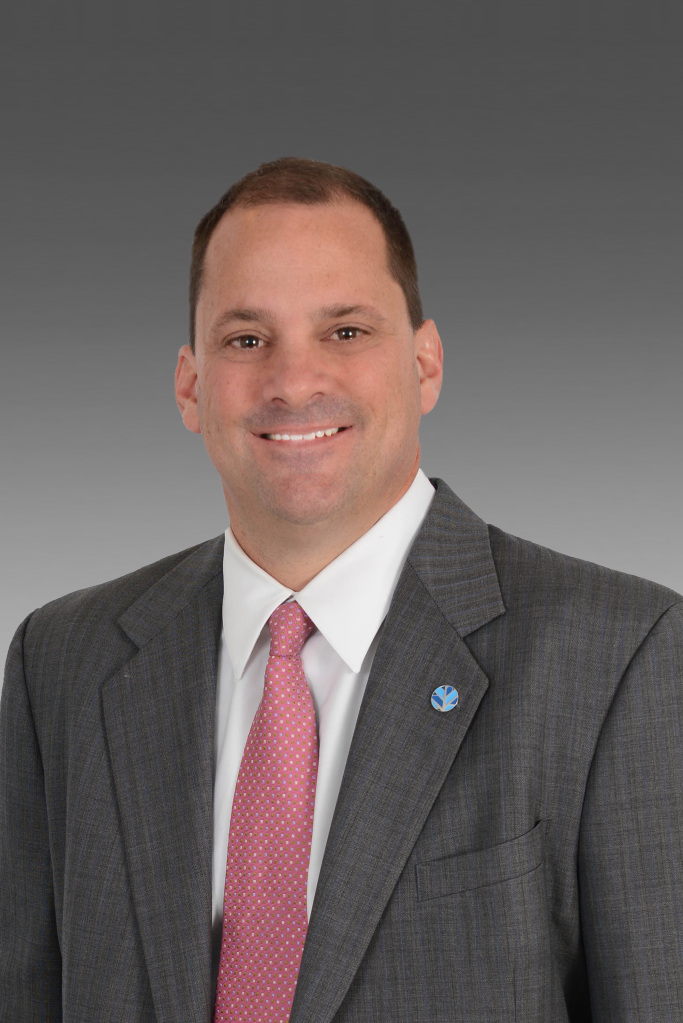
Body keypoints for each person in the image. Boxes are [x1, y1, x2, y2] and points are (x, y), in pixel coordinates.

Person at [1, 157, 682, 1023]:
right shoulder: (62, 661)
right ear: (189, 385)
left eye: (346, 331)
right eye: (247, 340)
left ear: (425, 365)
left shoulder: (617, 655)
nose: (293, 382)